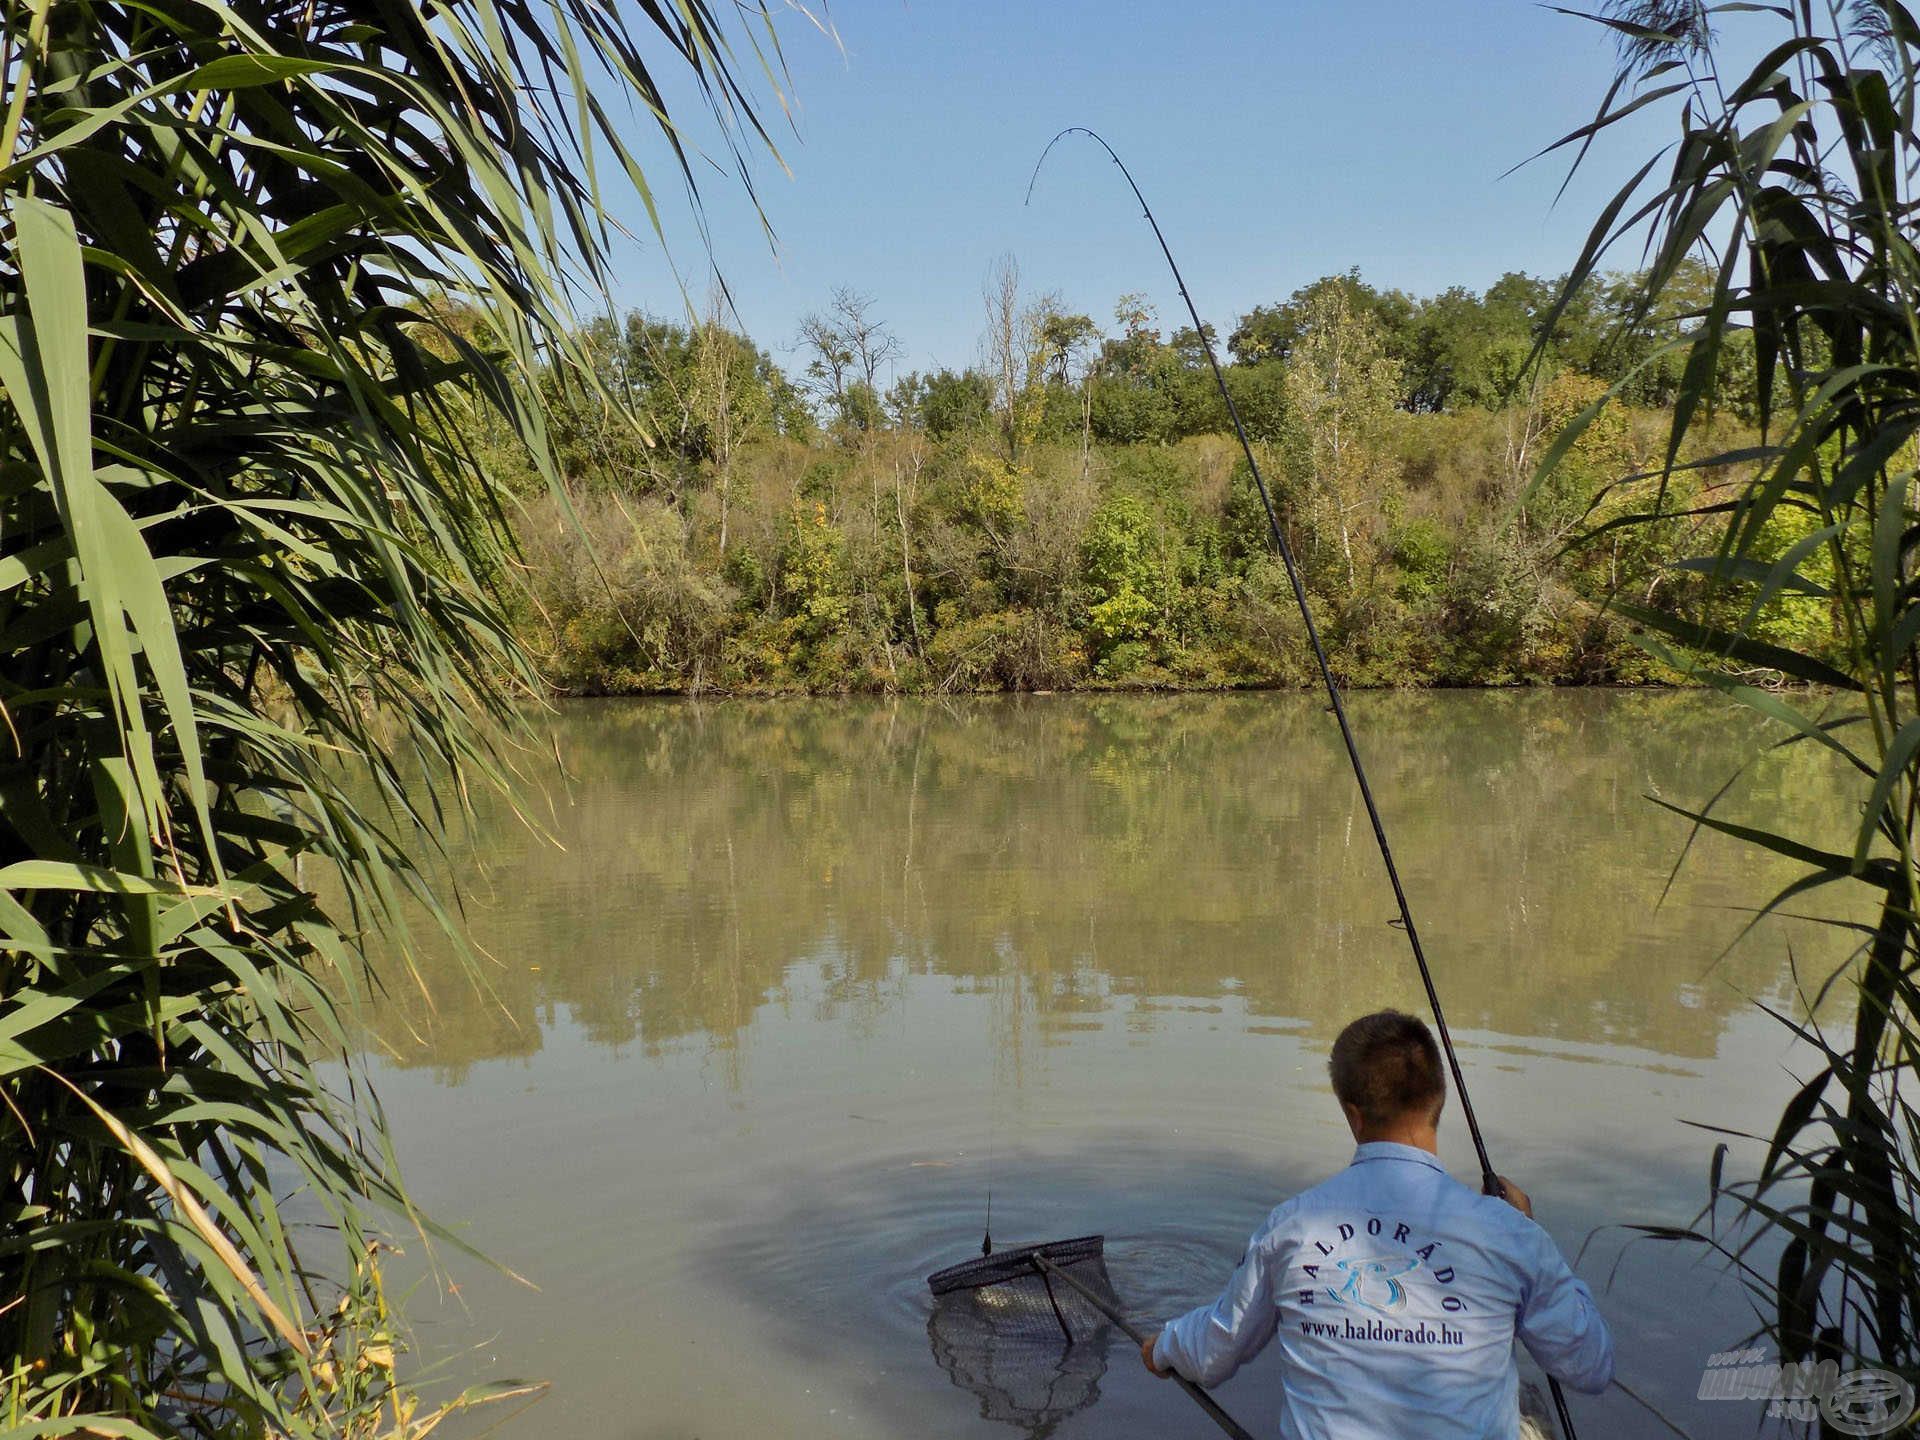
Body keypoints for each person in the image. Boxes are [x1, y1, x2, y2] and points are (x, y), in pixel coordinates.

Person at [1142, 1009, 1613, 1439]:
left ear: (1353, 1114)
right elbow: (1589, 1367)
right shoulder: (1510, 1234)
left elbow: (1213, 1350)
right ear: (1438, 1100)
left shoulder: (1291, 1227)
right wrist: (1530, 1232)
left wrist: (1162, 1348)